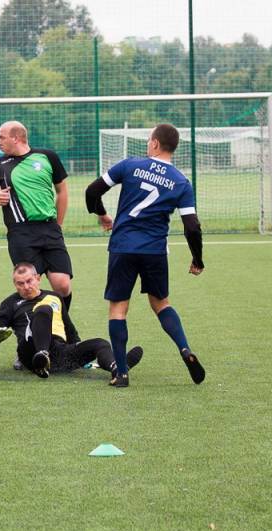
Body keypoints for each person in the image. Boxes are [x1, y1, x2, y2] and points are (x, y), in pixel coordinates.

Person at [85, 123, 205, 388]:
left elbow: (92, 191)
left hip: (123, 247)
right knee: (161, 303)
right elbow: (192, 226)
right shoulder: (181, 182)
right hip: (154, 250)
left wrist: (102, 215)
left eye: (150, 139)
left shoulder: (130, 165)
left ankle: (121, 373)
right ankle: (184, 348)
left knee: (118, 308)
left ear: (155, 143)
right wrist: (197, 259)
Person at [0, 121, 74, 369]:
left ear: (16, 138)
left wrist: (58, 225)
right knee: (29, 288)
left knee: (62, 286)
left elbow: (62, 191)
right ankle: (27, 345)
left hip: (50, 229)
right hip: (21, 233)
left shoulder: (47, 157)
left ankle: (57, 336)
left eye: (1, 137)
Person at [0, 262, 143, 379]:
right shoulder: (10, 303)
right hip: (30, 351)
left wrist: (79, 348)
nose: (26, 286)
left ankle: (118, 368)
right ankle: (41, 356)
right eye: (20, 283)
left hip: (59, 353)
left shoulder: (55, 297)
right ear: (14, 284)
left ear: (38, 278)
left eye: (29, 281)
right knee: (44, 309)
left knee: (100, 343)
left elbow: (69, 328)